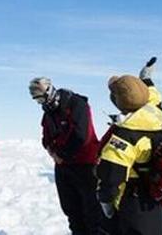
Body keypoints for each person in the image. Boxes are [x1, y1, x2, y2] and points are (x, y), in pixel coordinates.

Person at [96, 59, 162, 235]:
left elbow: (110, 176)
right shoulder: (155, 114)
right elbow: (153, 96)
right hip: (155, 193)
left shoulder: (124, 136)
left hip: (133, 199)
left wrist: (106, 204)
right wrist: (146, 79)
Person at [28, 77, 103, 235]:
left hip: (85, 166)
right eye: (37, 100)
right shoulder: (48, 112)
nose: (40, 103)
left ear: (49, 92)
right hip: (63, 167)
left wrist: (62, 155)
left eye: (40, 98)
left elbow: (82, 136)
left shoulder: (76, 105)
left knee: (92, 212)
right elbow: (46, 136)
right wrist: (51, 150)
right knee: (71, 210)